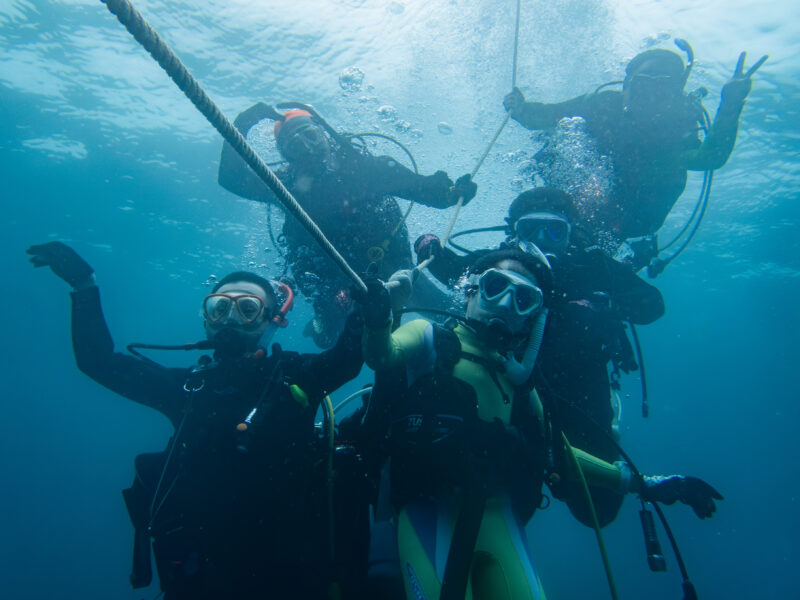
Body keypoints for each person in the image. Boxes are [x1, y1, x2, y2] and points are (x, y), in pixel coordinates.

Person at [351, 248, 718, 600]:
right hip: (428, 507)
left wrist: (642, 483)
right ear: (471, 289)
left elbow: (558, 454)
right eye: (496, 288)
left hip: (500, 517)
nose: (507, 305)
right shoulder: (429, 337)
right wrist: (379, 316)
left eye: (523, 299)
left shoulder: (521, 386)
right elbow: (382, 355)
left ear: (534, 317)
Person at [27, 241, 369, 600]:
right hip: (206, 571)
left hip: (290, 569)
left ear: (272, 320)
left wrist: (365, 312)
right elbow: (99, 362)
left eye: (248, 308)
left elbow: (344, 361)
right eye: (220, 308)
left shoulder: (294, 375)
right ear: (206, 319)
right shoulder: (188, 387)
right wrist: (84, 285)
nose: (232, 319)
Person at [415, 187, 664, 526]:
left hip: (579, 388)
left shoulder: (592, 266)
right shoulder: (507, 263)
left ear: (570, 234)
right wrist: (429, 246)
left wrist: (603, 303)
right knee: (504, 486)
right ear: (513, 231)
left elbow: (652, 304)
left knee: (596, 512)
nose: (542, 240)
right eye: (529, 230)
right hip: (512, 386)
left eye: (555, 231)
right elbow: (457, 270)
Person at [219, 103, 477, 348]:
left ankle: (484, 336)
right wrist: (243, 122)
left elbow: (421, 188)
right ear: (286, 155)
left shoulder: (366, 168)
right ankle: (320, 327)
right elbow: (231, 179)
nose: (307, 148)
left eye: (310, 136)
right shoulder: (284, 185)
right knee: (329, 339)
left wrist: (452, 193)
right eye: (295, 145)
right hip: (331, 281)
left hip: (389, 263)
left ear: (324, 134)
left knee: (448, 313)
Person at [503, 44, 766, 263]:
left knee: (589, 262)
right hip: (576, 201)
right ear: (626, 85)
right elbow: (544, 117)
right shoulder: (602, 105)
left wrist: (731, 104)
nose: (650, 97)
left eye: (662, 89)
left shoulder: (672, 135)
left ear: (676, 94)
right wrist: (520, 109)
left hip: (631, 216)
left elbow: (710, 157)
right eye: (643, 86)